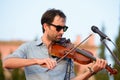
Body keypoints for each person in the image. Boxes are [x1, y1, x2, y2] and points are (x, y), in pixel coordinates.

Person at [3, 8, 107, 80]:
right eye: (58, 28)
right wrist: (36, 61)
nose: (62, 32)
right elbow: (7, 63)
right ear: (45, 26)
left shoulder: (68, 53)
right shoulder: (28, 47)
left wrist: (91, 71)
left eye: (64, 28)